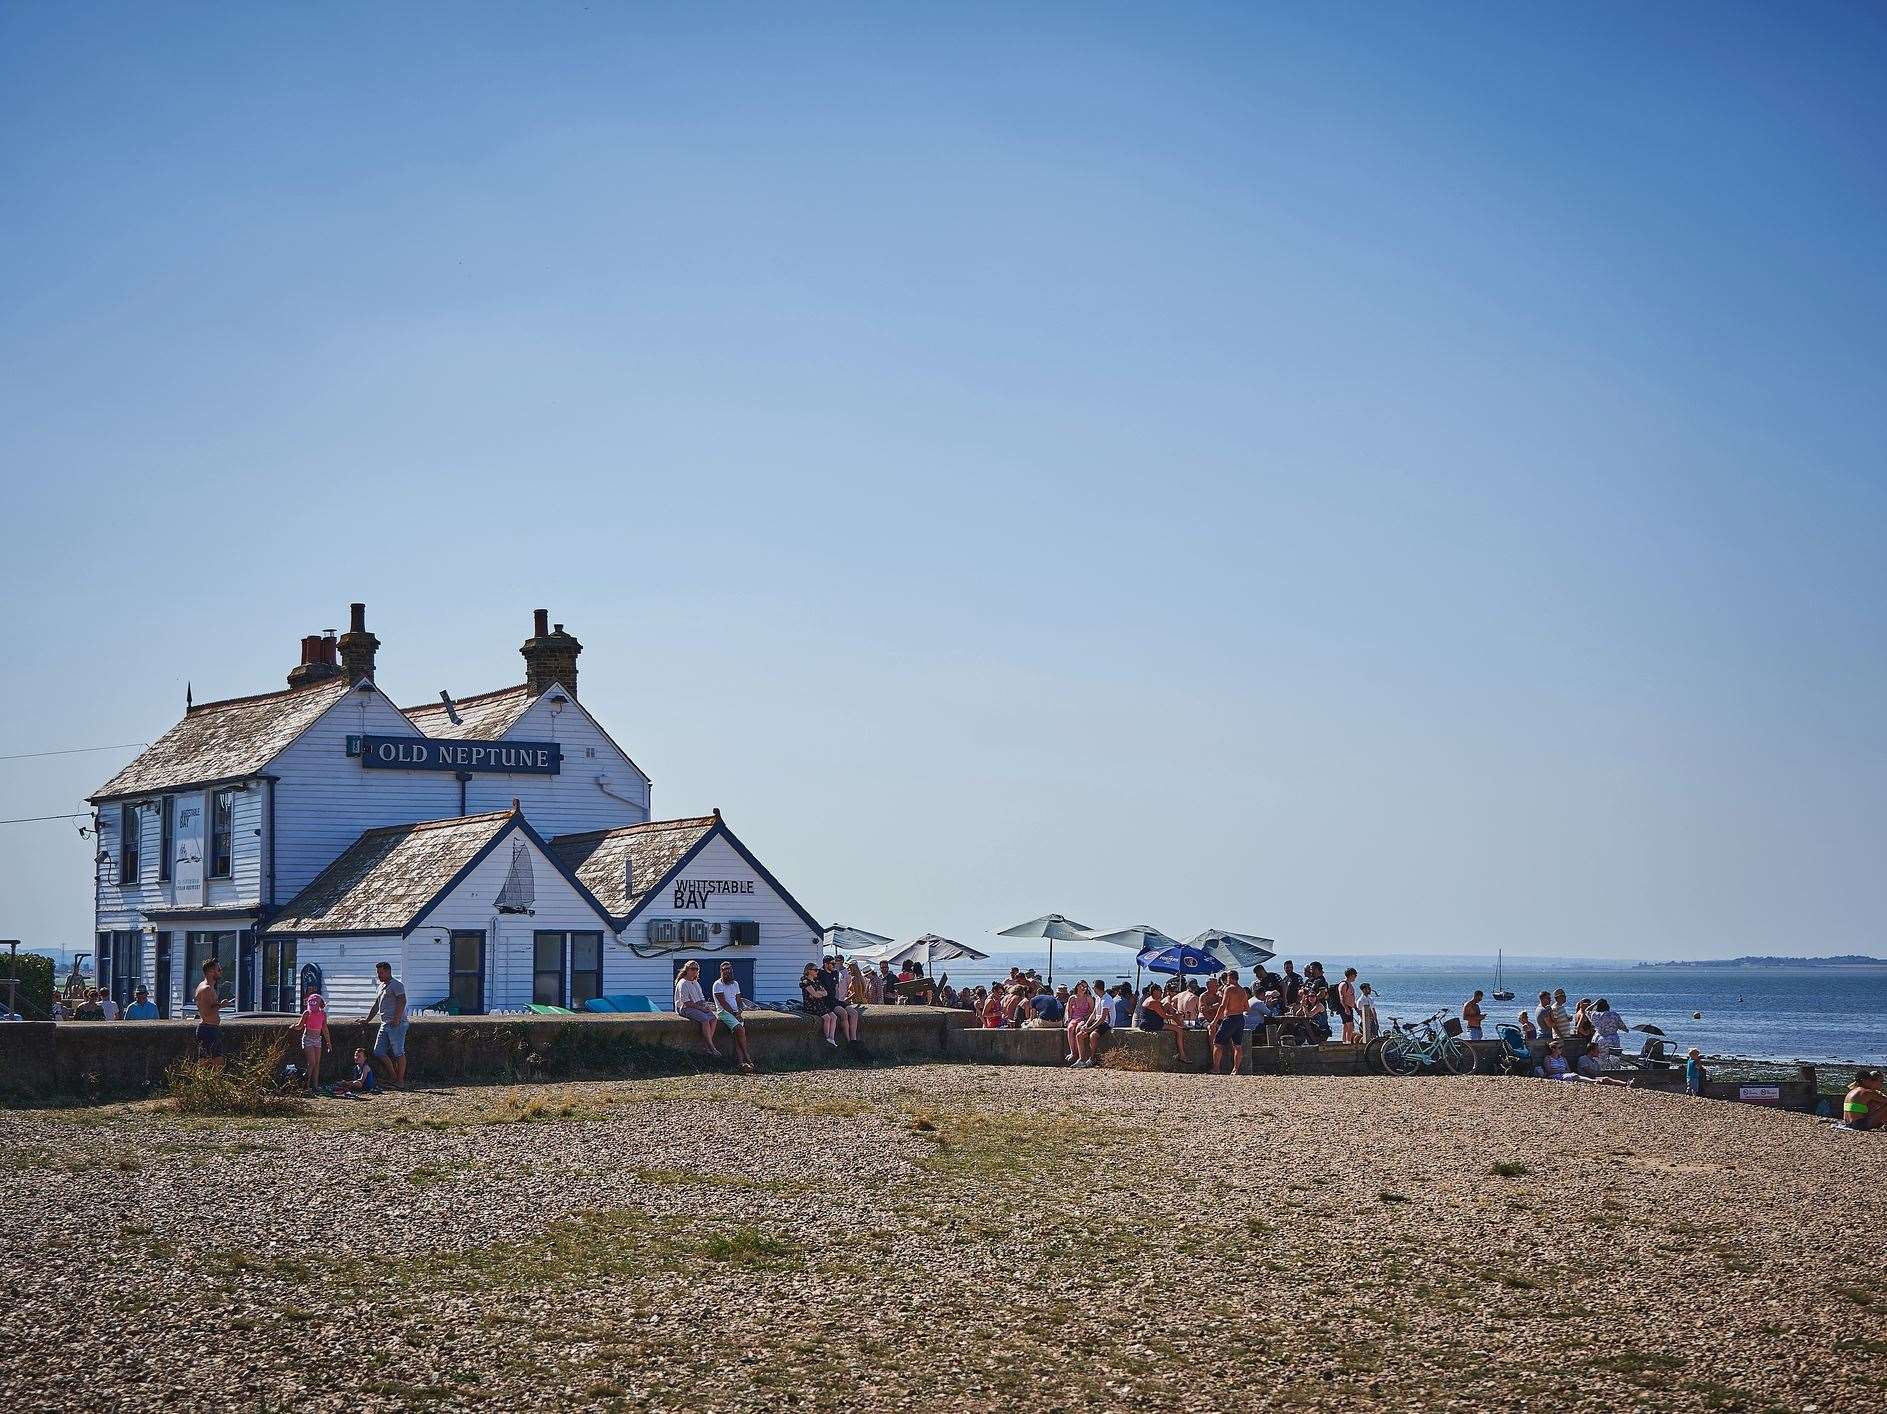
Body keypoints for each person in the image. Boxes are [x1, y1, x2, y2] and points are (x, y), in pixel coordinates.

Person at [364, 961, 409, 1089]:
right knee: (378, 1051)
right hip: (385, 1023)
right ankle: (393, 1077)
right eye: (378, 972)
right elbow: (376, 1006)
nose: (379, 975)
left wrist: (397, 1018)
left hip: (397, 1024)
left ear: (388, 971)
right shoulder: (381, 986)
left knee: (399, 1052)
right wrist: (367, 1020)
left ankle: (400, 1081)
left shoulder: (397, 985)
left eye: (381, 972)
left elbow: (402, 1000)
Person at [712, 961, 756, 1073]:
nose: (727, 971)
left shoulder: (735, 984)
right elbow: (722, 1002)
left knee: (738, 1037)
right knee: (739, 1029)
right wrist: (734, 1014)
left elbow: (738, 1000)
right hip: (724, 1013)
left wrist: (740, 1011)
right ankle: (747, 1057)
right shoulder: (718, 984)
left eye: (729, 969)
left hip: (736, 1012)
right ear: (721, 971)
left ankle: (741, 1064)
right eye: (725, 969)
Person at [675, 960, 724, 1056]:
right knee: (704, 1019)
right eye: (692, 969)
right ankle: (711, 1047)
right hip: (684, 1007)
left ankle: (707, 1044)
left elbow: (701, 998)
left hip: (697, 1006)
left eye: (697, 969)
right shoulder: (683, 983)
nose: (695, 971)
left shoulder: (695, 982)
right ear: (687, 970)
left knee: (713, 1018)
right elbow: (686, 1002)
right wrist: (701, 1009)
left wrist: (705, 1006)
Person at [1212, 970, 1251, 1075]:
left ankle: (1216, 1069)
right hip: (1240, 1019)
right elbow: (1247, 1008)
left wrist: (1214, 1021)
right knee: (1237, 1045)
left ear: (1230, 977)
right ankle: (1235, 1069)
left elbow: (1223, 1006)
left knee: (1217, 1043)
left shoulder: (1229, 989)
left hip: (1230, 1018)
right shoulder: (1242, 990)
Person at [1136, 983, 1186, 1063]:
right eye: (1160, 991)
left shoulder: (1150, 999)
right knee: (1179, 1030)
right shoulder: (1153, 1002)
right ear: (1155, 992)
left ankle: (1181, 1024)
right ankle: (1182, 1055)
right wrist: (1176, 1016)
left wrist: (1175, 1012)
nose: (1162, 993)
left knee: (1167, 1005)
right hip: (1150, 1023)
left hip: (1150, 1021)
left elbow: (1164, 1007)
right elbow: (1164, 1016)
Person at [799, 961, 838, 1047]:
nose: (817, 972)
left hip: (820, 1004)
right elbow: (815, 994)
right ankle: (827, 1037)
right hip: (811, 1005)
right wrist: (819, 993)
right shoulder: (805, 981)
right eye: (815, 970)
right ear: (809, 971)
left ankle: (832, 1038)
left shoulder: (816, 980)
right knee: (827, 1018)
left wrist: (819, 993)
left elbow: (825, 992)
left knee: (834, 1017)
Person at [299, 992, 331, 1091]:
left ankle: (315, 1086)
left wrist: (328, 1042)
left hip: (317, 1039)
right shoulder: (307, 1013)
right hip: (308, 1038)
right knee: (311, 1063)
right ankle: (306, 1085)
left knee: (317, 1063)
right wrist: (294, 1027)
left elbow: (324, 1029)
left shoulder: (323, 1014)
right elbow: (300, 1025)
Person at [193, 959, 224, 1062]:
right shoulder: (206, 989)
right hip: (207, 1030)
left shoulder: (210, 987)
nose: (221, 971)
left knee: (214, 1065)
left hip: (212, 1029)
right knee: (206, 1065)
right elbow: (207, 1012)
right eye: (218, 969)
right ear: (211, 972)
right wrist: (221, 1005)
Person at [1063, 981, 1095, 1066]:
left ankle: (1079, 1054)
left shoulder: (1088, 998)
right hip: (1074, 1017)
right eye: (1082, 986)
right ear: (1077, 987)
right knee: (1070, 1028)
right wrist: (1068, 1019)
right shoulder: (1072, 998)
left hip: (1084, 1018)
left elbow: (1092, 1011)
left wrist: (1085, 1019)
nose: (1084, 988)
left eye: (1086, 986)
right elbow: (1069, 1011)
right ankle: (1073, 1052)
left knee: (1078, 1028)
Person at [1337, 968, 1359, 1045]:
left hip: (1349, 1007)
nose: (1355, 977)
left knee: (1346, 1026)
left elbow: (1351, 998)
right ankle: (1348, 1042)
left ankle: (1345, 1041)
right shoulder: (1343, 984)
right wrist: (1346, 1008)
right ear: (1351, 975)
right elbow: (1342, 997)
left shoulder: (1349, 984)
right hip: (1344, 1007)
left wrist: (1356, 1008)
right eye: (1355, 975)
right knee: (1350, 1026)